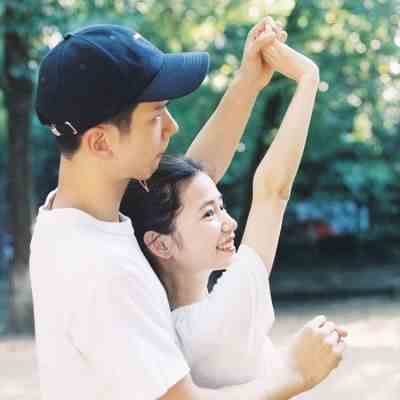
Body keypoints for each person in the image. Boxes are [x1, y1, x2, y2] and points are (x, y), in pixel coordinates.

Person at [29, 16, 332, 400]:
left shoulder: (75, 216)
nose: (171, 126)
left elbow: (190, 183)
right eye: (156, 115)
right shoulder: (102, 270)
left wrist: (248, 82)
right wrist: (294, 373)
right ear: (101, 143)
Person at [120, 41, 347, 394]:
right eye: (209, 214)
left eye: (222, 206)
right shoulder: (219, 317)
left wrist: (249, 80)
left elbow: (199, 176)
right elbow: (273, 192)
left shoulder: (163, 327)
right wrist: (307, 79)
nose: (230, 223)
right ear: (160, 244)